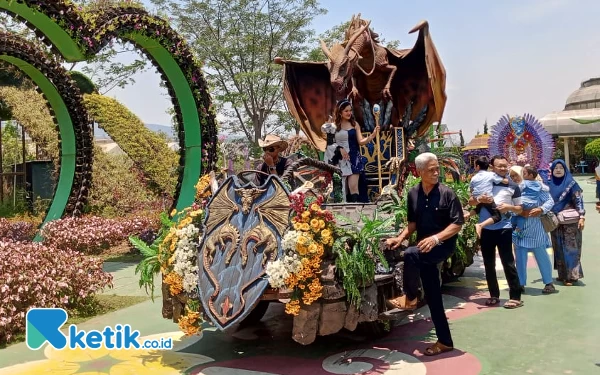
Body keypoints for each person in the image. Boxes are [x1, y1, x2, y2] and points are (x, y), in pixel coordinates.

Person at [385, 152, 464, 356]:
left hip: (442, 245)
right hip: (424, 247)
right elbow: (412, 224)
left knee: (411, 254)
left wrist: (436, 238)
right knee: (433, 296)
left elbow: (457, 224)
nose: (437, 172)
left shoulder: (448, 193)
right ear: (419, 172)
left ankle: (410, 297)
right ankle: (445, 341)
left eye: (438, 168)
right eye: (431, 170)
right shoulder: (413, 193)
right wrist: (399, 238)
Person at [468, 155, 523, 309]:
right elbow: (471, 201)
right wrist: (480, 200)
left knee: (508, 262)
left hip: (504, 229)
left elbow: (520, 208)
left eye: (505, 166)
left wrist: (509, 208)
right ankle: (494, 295)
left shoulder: (513, 186)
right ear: (492, 167)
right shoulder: (484, 183)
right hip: (486, 230)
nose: (503, 168)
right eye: (499, 166)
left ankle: (515, 296)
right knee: (488, 264)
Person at [511, 166, 556, 294]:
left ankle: (548, 282)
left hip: (535, 227)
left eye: (516, 175)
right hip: (519, 230)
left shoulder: (540, 187)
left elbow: (549, 201)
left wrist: (540, 209)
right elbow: (510, 207)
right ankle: (520, 283)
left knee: (541, 256)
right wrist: (519, 212)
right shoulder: (514, 189)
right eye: (512, 176)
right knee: (519, 258)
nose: (514, 178)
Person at [547, 160, 586, 286]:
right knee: (558, 248)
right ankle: (562, 274)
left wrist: (582, 217)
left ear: (565, 170)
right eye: (556, 168)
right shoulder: (548, 185)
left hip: (570, 222)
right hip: (555, 221)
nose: (558, 170)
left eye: (561, 168)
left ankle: (572, 276)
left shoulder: (572, 184)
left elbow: (579, 200)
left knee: (571, 248)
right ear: (552, 170)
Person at [333, 100, 379, 202]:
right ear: (340, 112)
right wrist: (339, 149)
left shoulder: (355, 124)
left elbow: (361, 141)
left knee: (353, 186)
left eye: (350, 110)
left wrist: (372, 135)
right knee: (343, 189)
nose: (349, 113)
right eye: (346, 111)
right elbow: (330, 144)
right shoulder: (334, 126)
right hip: (340, 160)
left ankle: (356, 212)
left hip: (354, 159)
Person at [469, 156, 507, 238]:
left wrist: (478, 198)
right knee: (497, 216)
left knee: (478, 208)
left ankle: (467, 215)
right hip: (488, 198)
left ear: (478, 166)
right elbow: (504, 181)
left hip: (478, 198)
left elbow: (471, 191)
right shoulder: (491, 174)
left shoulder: (473, 177)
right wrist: (509, 181)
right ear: (489, 166)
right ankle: (480, 225)